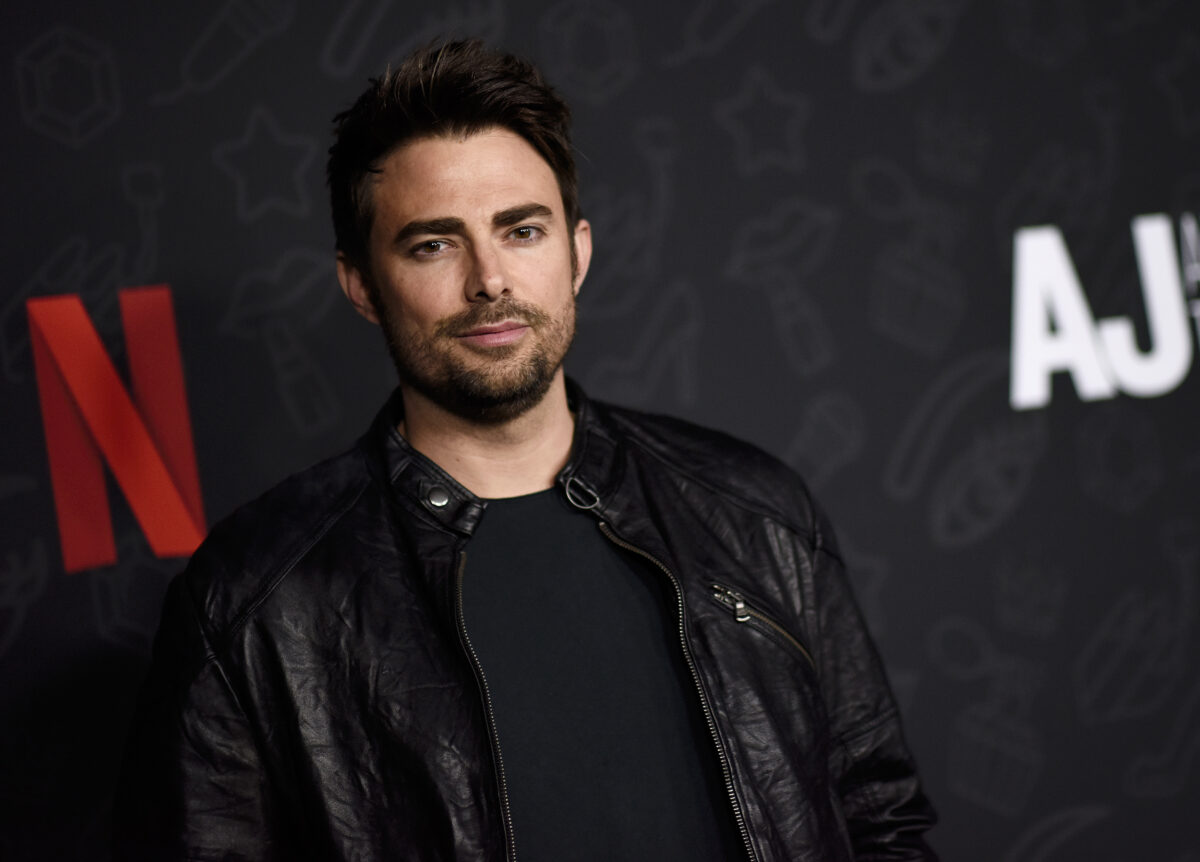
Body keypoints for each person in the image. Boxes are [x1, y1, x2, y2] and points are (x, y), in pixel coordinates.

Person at [113, 39, 937, 861]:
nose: (491, 279)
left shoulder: (755, 511)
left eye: (522, 230)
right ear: (361, 284)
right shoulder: (257, 600)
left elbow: (881, 822)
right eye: (434, 244)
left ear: (577, 252)